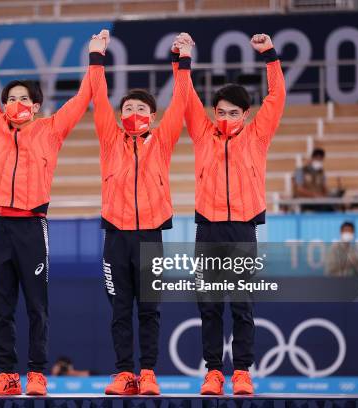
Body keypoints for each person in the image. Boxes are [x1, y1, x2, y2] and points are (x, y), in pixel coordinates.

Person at [0, 12, 93, 396]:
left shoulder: (51, 131)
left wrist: (96, 57)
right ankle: (7, 374)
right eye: (11, 99)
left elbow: (84, 98)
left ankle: (37, 373)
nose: (16, 103)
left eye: (24, 99)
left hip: (31, 227)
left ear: (37, 106)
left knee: (37, 306)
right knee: (1, 306)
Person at [178, 32, 286, 395]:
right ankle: (213, 372)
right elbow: (186, 96)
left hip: (243, 229)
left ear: (246, 114)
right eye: (220, 112)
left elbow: (277, 97)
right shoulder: (201, 133)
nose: (225, 118)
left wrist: (270, 55)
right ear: (213, 113)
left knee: (242, 307)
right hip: (207, 229)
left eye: (233, 113)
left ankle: (242, 372)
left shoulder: (258, 136)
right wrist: (184, 58)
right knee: (209, 307)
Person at [88, 30, 192, 395]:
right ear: (119, 116)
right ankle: (123, 374)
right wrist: (96, 57)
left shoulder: (162, 142)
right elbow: (97, 97)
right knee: (119, 311)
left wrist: (182, 62)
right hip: (115, 236)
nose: (133, 113)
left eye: (141, 108)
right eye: (128, 108)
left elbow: (181, 103)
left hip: (151, 236)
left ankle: (147, 373)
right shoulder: (109, 139)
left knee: (149, 311)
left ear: (152, 115)